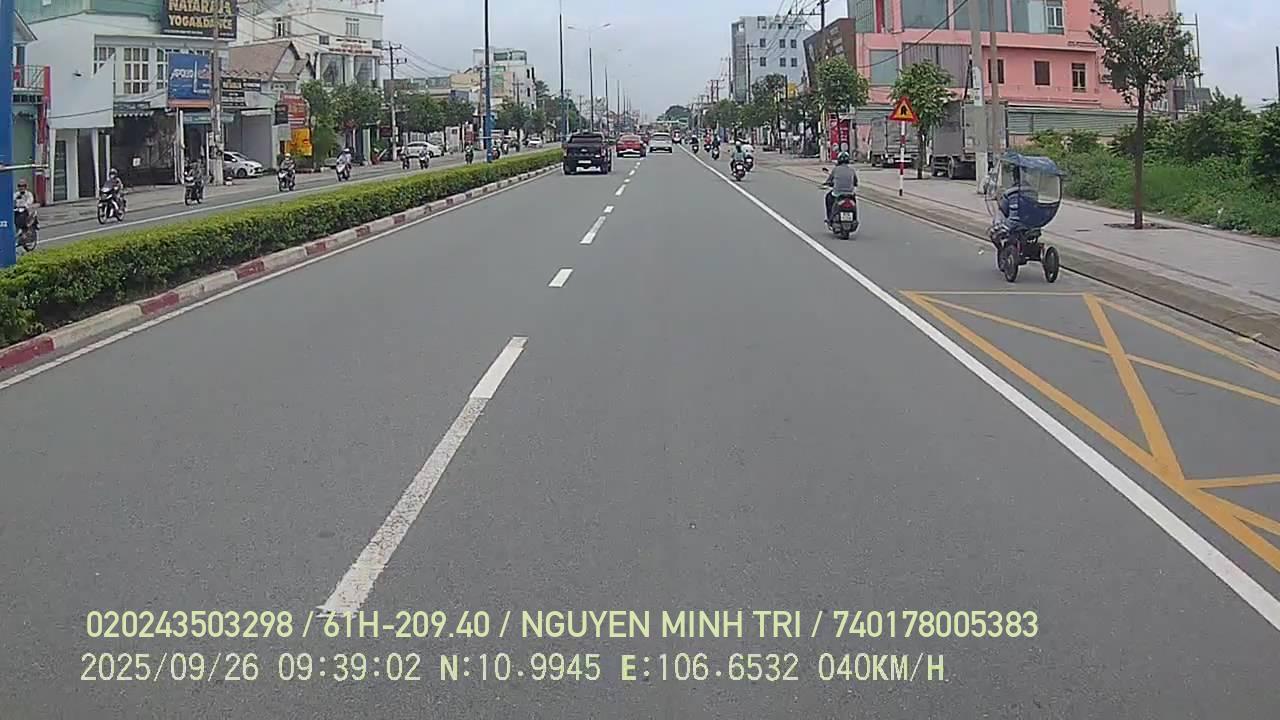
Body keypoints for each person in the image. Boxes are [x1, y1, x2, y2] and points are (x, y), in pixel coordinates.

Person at [823, 151, 859, 219]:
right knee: (854, 201)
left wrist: (828, 183)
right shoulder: (852, 170)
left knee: (828, 197)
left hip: (837, 194)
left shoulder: (835, 169)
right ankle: (855, 218)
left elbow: (829, 180)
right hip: (850, 194)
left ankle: (829, 217)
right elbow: (855, 182)